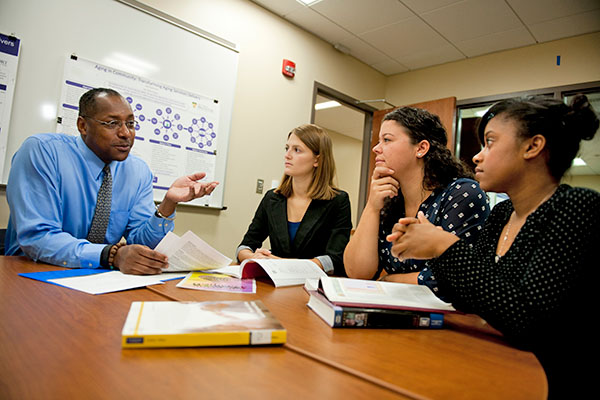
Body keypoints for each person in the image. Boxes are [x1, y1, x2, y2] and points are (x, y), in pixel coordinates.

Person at [387, 94, 599, 399]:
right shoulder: (501, 214)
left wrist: (445, 245)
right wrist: (427, 245)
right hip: (491, 360)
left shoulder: (575, 207)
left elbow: (528, 318)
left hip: (543, 380)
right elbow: (463, 297)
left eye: (490, 142)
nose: (477, 156)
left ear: (532, 146)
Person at [5, 88, 218, 275]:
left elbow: (140, 242)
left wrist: (167, 204)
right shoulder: (42, 152)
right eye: (112, 123)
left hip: (99, 278)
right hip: (31, 271)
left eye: (131, 124)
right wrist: (110, 255)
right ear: (83, 126)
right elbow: (38, 237)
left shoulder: (138, 171)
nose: (126, 133)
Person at [344, 107, 489, 297]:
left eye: (386, 140)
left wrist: (389, 280)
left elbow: (454, 280)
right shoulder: (391, 200)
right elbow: (357, 273)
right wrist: (372, 207)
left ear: (421, 148)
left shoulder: (462, 193)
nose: (376, 148)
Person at [237, 124, 351, 276]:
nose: (287, 155)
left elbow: (334, 258)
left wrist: (282, 264)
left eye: (297, 150)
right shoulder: (272, 198)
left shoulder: (338, 201)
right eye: (287, 148)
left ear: (317, 159)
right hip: (276, 283)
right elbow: (244, 246)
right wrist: (254, 258)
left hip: (314, 285)